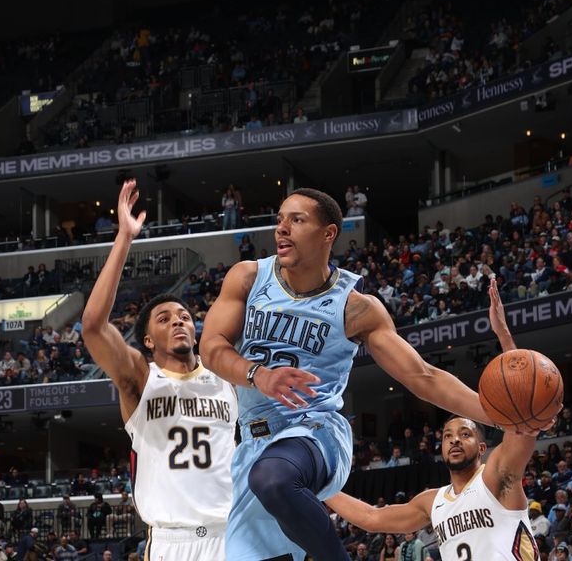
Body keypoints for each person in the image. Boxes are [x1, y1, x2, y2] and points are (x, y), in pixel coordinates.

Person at [200, 188, 496, 561]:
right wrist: (257, 374)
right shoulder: (247, 278)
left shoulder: (356, 308)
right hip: (253, 442)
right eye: (279, 220)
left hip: (315, 433)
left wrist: (497, 414)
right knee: (264, 485)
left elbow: (422, 376)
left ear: (329, 234)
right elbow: (210, 347)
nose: (282, 229)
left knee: (272, 477)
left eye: (297, 219)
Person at [325, 279, 556, 561]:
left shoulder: (496, 476)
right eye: (448, 436)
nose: (455, 440)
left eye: (465, 434)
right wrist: (320, 487)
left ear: (482, 450)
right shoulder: (431, 502)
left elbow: (519, 414)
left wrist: (504, 336)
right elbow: (372, 517)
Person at [82, 179, 237, 560]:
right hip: (172, 541)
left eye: (185, 316)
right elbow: (93, 327)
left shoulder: (227, 375)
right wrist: (124, 238)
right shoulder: (141, 377)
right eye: (165, 319)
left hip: (233, 533)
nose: (179, 322)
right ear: (148, 340)